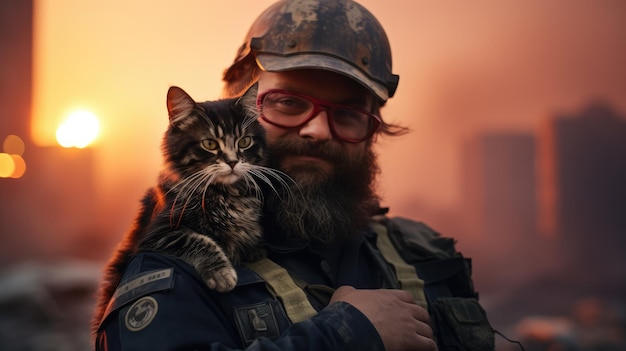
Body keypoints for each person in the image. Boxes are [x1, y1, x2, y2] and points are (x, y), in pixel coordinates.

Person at [95, 0, 496, 350]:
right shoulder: (179, 263)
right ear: (241, 108)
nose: (318, 131)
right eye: (288, 102)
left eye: (349, 113)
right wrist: (347, 334)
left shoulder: (424, 254)